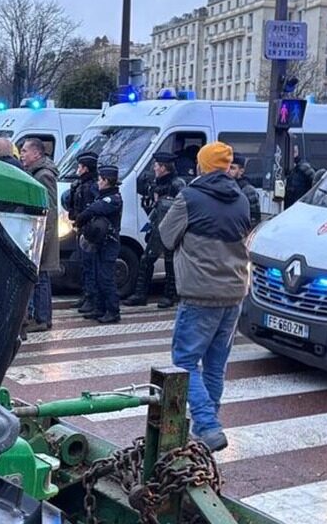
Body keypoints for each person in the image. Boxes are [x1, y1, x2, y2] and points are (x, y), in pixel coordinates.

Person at [159, 141, 251, 452]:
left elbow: (166, 236)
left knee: (184, 361)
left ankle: (208, 425)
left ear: (202, 165)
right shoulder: (242, 199)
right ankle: (207, 428)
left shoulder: (190, 197)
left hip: (200, 291)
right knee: (215, 365)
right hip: (234, 292)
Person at [124, 150, 187, 308]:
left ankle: (169, 295)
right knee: (147, 259)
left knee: (169, 261)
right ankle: (140, 294)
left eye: (157, 165)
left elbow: (181, 206)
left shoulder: (177, 184)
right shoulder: (156, 183)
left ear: (164, 168)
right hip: (156, 226)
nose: (154, 168)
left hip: (171, 228)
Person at [76, 164, 123, 324]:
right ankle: (100, 308)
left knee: (106, 278)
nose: (98, 182)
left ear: (106, 181)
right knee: (97, 275)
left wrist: (80, 219)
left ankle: (113, 311)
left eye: (100, 179)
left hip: (109, 243)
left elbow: (93, 210)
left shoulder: (113, 199)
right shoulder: (103, 195)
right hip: (99, 242)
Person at [21, 138, 59, 332]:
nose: (22, 154)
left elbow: (50, 210)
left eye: (25, 150)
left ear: (36, 153)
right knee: (40, 276)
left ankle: (42, 318)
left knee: (41, 277)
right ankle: (42, 317)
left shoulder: (44, 175)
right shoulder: (36, 172)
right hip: (40, 233)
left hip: (42, 235)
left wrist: (42, 239)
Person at [66, 151, 101, 312]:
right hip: (81, 228)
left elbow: (93, 208)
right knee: (83, 264)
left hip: (89, 230)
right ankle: (86, 295)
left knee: (89, 264)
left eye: (79, 167)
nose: (77, 170)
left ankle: (92, 298)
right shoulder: (81, 184)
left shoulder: (92, 186)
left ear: (86, 168)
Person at [229, 155, 261, 227]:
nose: (228, 171)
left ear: (241, 171)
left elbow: (255, 219)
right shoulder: (223, 186)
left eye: (232, 168)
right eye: (227, 167)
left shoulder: (248, 190)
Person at [283, 144, 316, 208]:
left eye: (294, 152)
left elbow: (315, 183)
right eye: (291, 152)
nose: (293, 154)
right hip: (289, 206)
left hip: (301, 205)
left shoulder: (304, 168)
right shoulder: (285, 168)